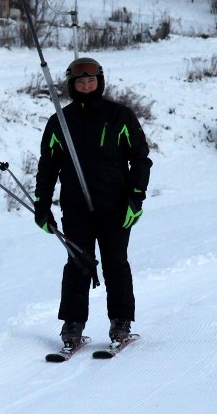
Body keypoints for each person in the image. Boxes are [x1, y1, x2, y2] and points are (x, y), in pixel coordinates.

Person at [33, 56, 152, 348]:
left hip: (115, 206)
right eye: (80, 82)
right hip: (76, 207)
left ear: (100, 82)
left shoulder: (120, 116)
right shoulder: (60, 121)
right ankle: (72, 325)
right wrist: (42, 205)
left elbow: (140, 159)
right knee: (78, 264)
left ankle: (121, 322)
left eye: (91, 80)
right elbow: (48, 166)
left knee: (115, 263)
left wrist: (135, 198)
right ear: (72, 85)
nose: (86, 86)